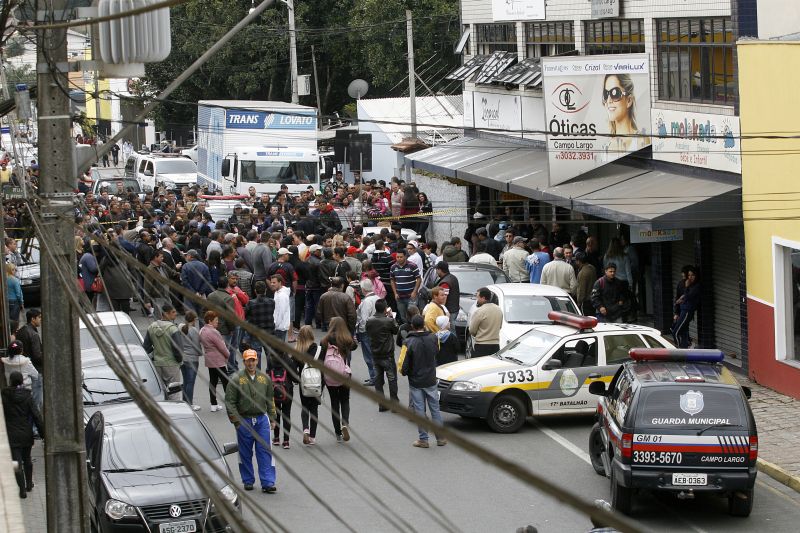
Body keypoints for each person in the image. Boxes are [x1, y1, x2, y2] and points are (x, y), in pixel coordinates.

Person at [225, 349, 278, 493]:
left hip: (261, 421)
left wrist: (272, 418)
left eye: (253, 360)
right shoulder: (236, 379)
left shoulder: (264, 379)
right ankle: (248, 480)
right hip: (244, 421)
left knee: (264, 451)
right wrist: (236, 421)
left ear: (257, 360)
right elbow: (230, 402)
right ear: (244, 362)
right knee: (245, 452)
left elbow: (270, 399)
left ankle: (267, 482)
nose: (251, 363)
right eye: (248, 360)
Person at [399, 315, 447, 448]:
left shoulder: (408, 342)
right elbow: (437, 351)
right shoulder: (433, 338)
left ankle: (423, 439)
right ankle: (440, 438)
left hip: (416, 381)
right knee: (435, 409)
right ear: (424, 324)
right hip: (431, 379)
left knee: (420, 410)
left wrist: (406, 372)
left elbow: (402, 365)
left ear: (412, 326)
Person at [2, 371, 44, 498]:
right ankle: (29, 484)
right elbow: (36, 415)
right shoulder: (28, 397)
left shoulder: (4, 397)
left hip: (11, 434)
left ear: (10, 381)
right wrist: (42, 433)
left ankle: (21, 489)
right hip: (26, 432)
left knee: (16, 462)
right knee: (27, 459)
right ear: (21, 381)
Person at [321, 317, 356, 443]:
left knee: (334, 403)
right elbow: (355, 346)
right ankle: (345, 423)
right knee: (345, 400)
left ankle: (337, 434)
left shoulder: (325, 341)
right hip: (344, 375)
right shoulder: (346, 339)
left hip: (330, 376)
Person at [142, 304, 183, 399]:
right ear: (165, 314)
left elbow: (146, 347)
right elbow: (177, 349)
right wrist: (179, 360)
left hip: (157, 364)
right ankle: (174, 411)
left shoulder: (151, 327)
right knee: (174, 392)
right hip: (172, 364)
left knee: (161, 392)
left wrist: (154, 349)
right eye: (173, 312)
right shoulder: (173, 329)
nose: (175, 314)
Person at [366, 299, 399, 412]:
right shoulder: (388, 321)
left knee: (378, 380)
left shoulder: (369, 320)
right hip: (387, 354)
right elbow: (396, 330)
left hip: (375, 353)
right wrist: (391, 317)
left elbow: (368, 332)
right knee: (392, 379)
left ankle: (382, 404)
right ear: (385, 309)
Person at [602, 73, 645, 156]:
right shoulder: (606, 147)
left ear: (629, 101)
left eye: (615, 93)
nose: (608, 100)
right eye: (606, 94)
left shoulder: (640, 141)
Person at [294, 325, 321, 445]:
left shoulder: (297, 349)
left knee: (305, 407)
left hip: (303, 382)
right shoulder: (316, 348)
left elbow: (292, 366)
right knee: (314, 409)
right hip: (315, 383)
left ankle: (306, 428)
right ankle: (313, 437)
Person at [200, 311, 230, 412]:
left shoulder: (202, 330)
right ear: (210, 321)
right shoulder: (213, 332)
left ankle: (213, 404)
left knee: (213, 381)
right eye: (216, 320)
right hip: (218, 360)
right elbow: (222, 347)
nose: (218, 322)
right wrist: (228, 354)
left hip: (209, 359)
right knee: (226, 382)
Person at [207, 276, 238, 371]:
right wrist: (232, 329)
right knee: (229, 350)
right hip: (225, 330)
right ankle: (231, 369)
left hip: (213, 327)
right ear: (227, 285)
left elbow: (205, 310)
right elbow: (230, 317)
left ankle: (219, 371)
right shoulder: (228, 298)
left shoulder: (210, 296)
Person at [15, 309, 43, 410]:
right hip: (36, 370)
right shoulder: (34, 334)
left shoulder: (22, 330)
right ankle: (36, 425)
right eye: (39, 317)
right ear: (33, 319)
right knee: (37, 400)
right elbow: (37, 356)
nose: (40, 320)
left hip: (24, 368)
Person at [244, 281, 275, 369]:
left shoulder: (251, 303)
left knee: (257, 355)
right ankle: (270, 374)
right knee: (269, 354)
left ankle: (258, 375)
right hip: (269, 332)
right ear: (265, 290)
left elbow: (246, 316)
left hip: (256, 333)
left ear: (255, 291)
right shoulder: (272, 302)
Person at [355, 278, 379, 386]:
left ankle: (374, 377)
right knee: (375, 354)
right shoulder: (378, 298)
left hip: (367, 332)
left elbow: (364, 320)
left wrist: (360, 332)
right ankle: (376, 376)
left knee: (369, 356)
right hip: (378, 331)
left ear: (363, 289)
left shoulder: (366, 302)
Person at [468, 287, 503, 357]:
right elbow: (500, 327)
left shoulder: (479, 311)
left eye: (478, 297)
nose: (477, 300)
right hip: (495, 346)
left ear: (483, 298)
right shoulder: (499, 310)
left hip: (481, 347)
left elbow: (472, 330)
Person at [390, 249, 421, 325]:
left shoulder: (412, 266)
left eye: (401, 257)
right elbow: (392, 280)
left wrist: (414, 292)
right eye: (397, 257)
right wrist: (395, 293)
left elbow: (419, 279)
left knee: (413, 315)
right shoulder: (393, 267)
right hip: (399, 297)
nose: (399, 258)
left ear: (405, 257)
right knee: (403, 316)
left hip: (411, 296)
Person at [672, 267, 701, 348]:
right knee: (683, 332)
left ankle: (678, 352)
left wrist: (686, 287)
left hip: (687, 311)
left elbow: (688, 297)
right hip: (682, 310)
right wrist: (677, 311)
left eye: (692, 275)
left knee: (676, 333)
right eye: (689, 275)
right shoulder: (688, 285)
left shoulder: (696, 286)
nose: (690, 277)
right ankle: (684, 351)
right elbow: (680, 298)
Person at [180, 311, 202, 411]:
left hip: (182, 358)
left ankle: (185, 401)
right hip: (192, 359)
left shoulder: (180, 327)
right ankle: (190, 403)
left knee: (185, 381)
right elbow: (197, 346)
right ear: (193, 320)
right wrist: (200, 353)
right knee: (190, 382)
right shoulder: (193, 330)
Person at [574, 252, 598, 316]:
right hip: (592, 299)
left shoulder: (582, 273)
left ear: (579, 261)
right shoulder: (592, 268)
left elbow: (581, 290)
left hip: (585, 302)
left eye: (576, 260)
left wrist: (579, 303)